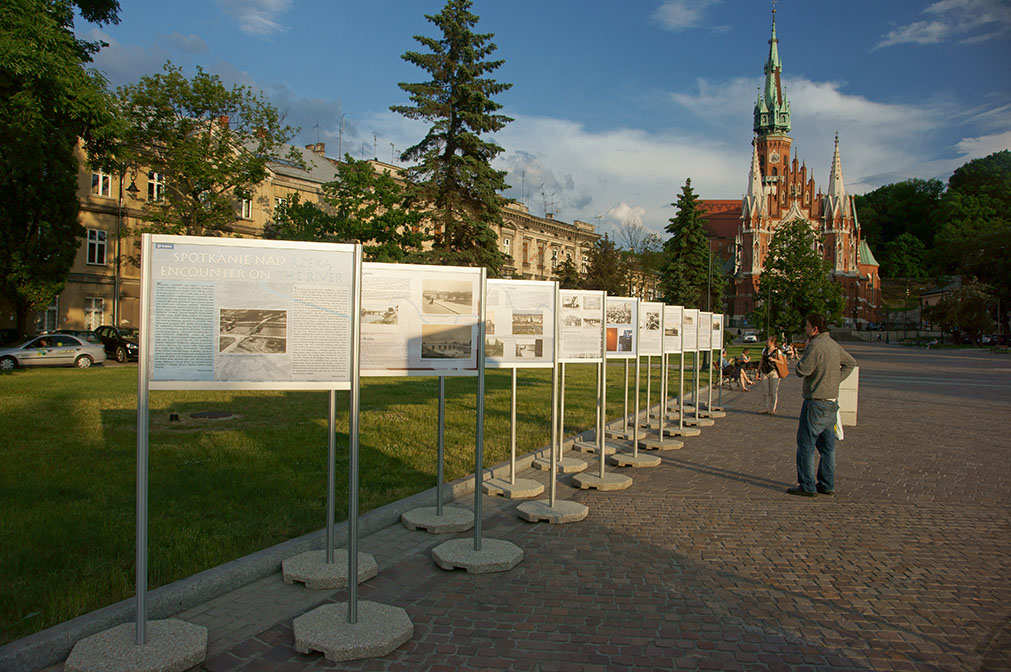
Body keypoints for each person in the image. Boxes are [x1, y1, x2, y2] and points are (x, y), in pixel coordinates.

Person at [787, 313, 856, 498]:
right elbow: (850, 363)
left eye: (807, 326)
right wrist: (834, 382)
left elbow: (803, 370)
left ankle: (807, 485)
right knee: (828, 447)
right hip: (831, 403)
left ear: (815, 329)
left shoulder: (815, 346)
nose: (805, 329)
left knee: (806, 445)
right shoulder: (834, 345)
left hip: (815, 403)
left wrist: (801, 357)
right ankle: (827, 484)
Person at [759, 336, 785, 414]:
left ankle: (773, 408)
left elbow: (782, 362)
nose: (767, 342)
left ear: (772, 342)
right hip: (764, 372)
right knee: (765, 392)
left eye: (769, 340)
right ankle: (766, 408)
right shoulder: (765, 350)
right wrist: (758, 371)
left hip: (774, 372)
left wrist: (773, 360)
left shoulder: (777, 351)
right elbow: (761, 361)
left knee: (773, 392)